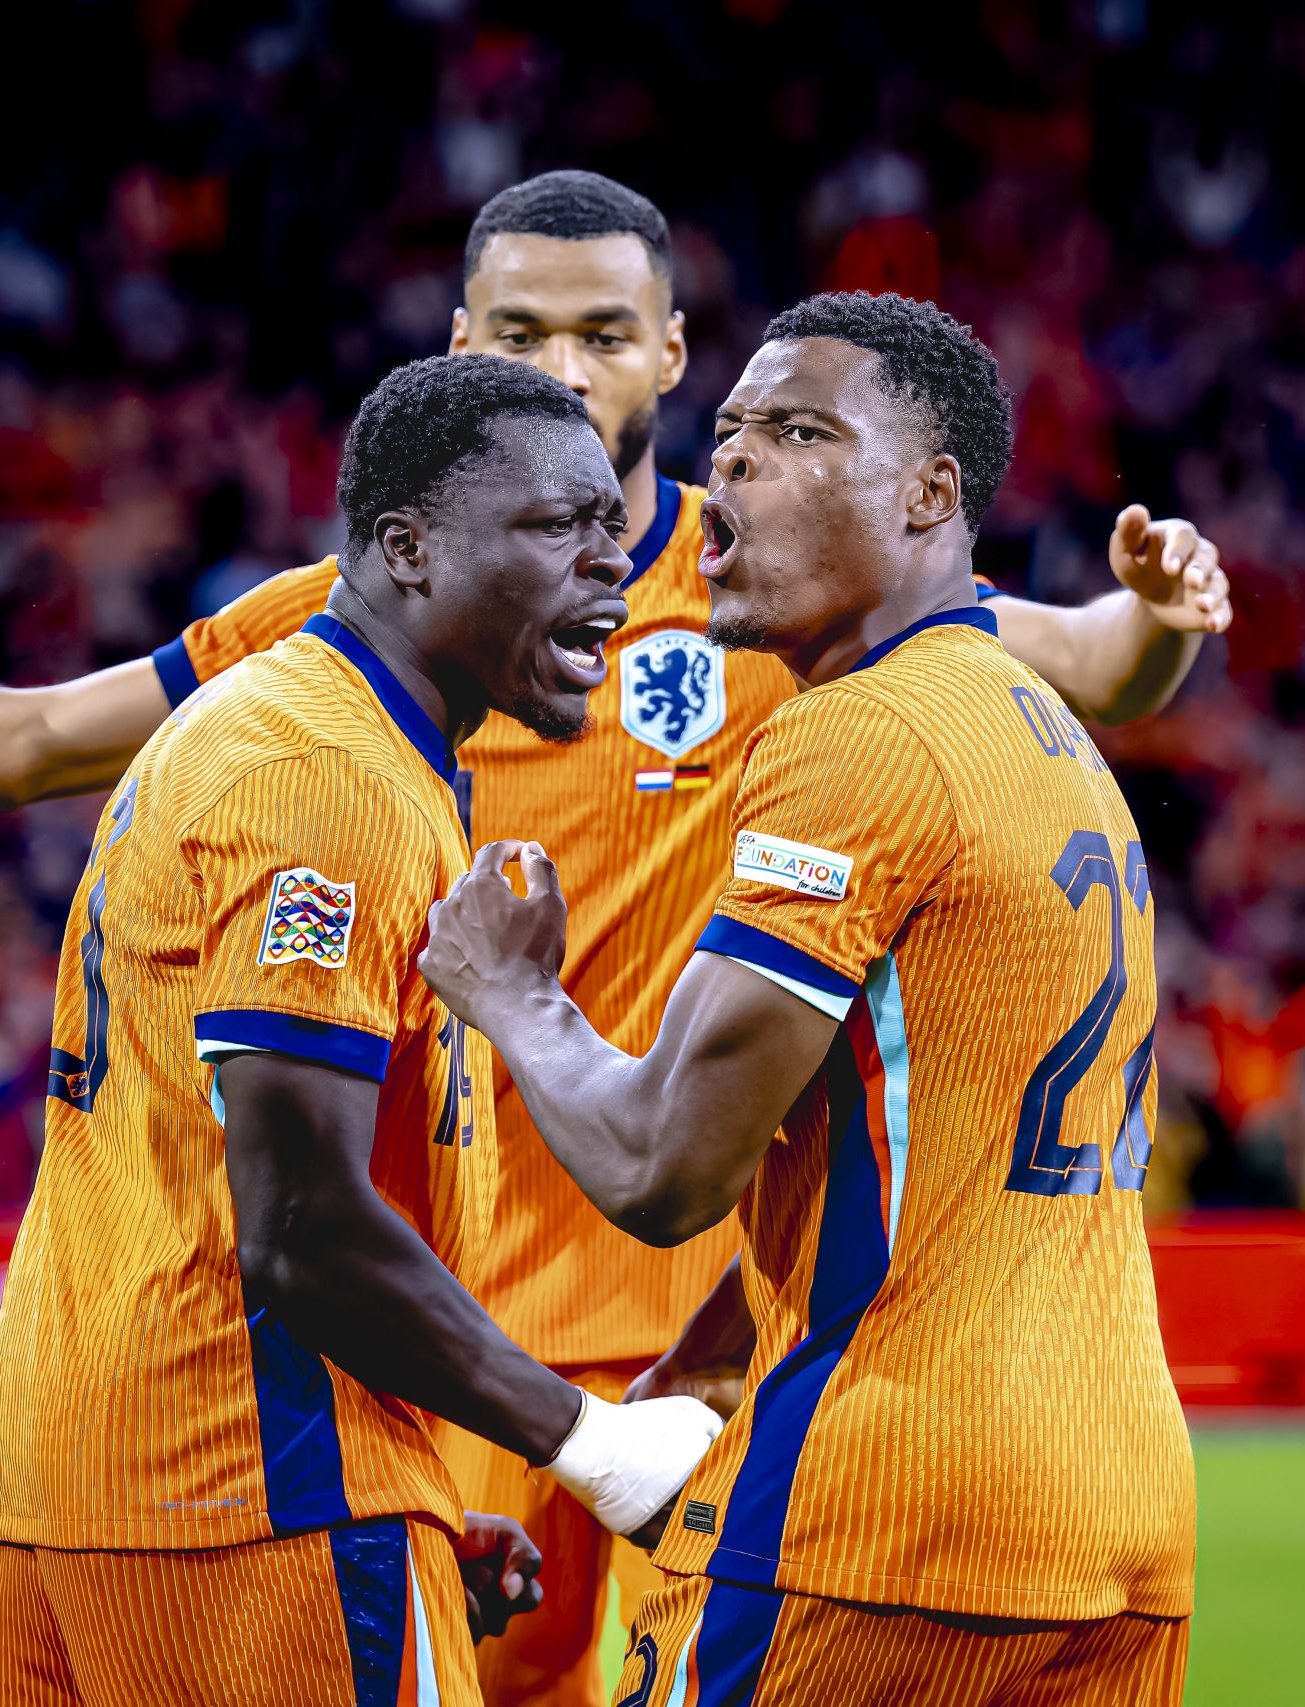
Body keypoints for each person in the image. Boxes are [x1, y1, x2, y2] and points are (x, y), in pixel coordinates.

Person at [0, 171, 1229, 1707]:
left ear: (670, 352)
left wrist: (1158, 610)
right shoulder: (348, 653)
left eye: (606, 332)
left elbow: (1079, 655)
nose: (568, 367)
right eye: (523, 333)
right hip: (448, 1312)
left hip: (703, 1310)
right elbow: (50, 728)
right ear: (458, 351)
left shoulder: (779, 591)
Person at [419, 292, 1194, 1704]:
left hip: (878, 1515)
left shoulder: (854, 731)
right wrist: (710, 1345)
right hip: (1115, 1501)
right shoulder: (1048, 737)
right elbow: (923, 1147)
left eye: (795, 430)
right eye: (730, 433)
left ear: (931, 491)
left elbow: (664, 1165)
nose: (737, 467)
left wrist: (514, 992)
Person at [0, 356, 725, 1707]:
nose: (611, 567)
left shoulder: (296, 730)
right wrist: (590, 1439)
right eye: (559, 528)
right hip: (253, 1491)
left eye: (612, 525)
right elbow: (301, 1220)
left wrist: (421, 1485)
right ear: (409, 548)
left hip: (93, 1475)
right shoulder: (330, 778)